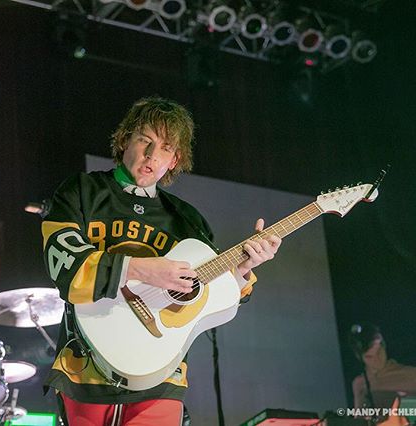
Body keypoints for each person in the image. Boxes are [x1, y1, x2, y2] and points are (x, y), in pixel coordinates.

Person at [41, 96, 281, 425]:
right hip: (85, 369)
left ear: (176, 159)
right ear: (125, 139)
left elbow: (210, 297)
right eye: (145, 140)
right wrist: (141, 269)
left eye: (166, 147)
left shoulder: (189, 221)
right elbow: (63, 263)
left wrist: (242, 270)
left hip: (162, 377)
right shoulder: (80, 191)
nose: (152, 156)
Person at [349, 322, 416, 410]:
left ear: (384, 346)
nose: (377, 359)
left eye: (379, 352)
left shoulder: (412, 375)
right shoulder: (359, 383)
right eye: (369, 357)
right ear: (360, 358)